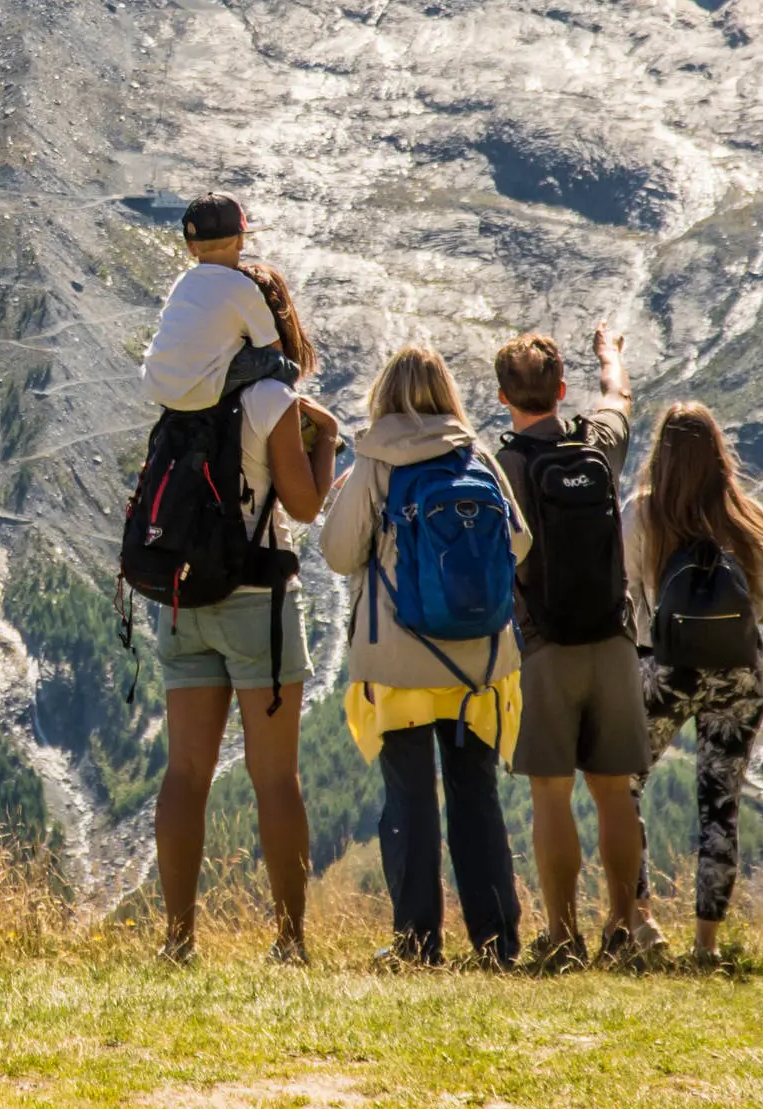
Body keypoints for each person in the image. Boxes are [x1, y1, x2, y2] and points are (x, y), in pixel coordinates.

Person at [139, 195, 339, 966]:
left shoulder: (183, 396)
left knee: (185, 771)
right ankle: (288, 941)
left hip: (185, 595)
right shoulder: (270, 396)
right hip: (256, 597)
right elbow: (304, 504)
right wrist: (328, 440)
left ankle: (178, 939)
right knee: (275, 777)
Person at [318, 345, 526, 968]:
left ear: (384, 394)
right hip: (478, 668)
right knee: (475, 797)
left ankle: (417, 945)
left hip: (400, 662)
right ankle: (497, 944)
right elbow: (519, 541)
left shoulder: (374, 462)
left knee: (408, 799)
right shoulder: (477, 455)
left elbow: (337, 552)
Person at [491, 326, 658, 971]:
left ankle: (562, 936)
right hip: (613, 643)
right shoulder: (598, 445)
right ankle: (623, 922)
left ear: (505, 396)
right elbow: (619, 394)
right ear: (562, 391)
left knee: (551, 796)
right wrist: (609, 352)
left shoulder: (503, 468)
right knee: (614, 792)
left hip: (546, 649)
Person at [627, 401, 763, 965]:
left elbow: (628, 598)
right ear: (720, 454)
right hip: (739, 675)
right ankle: (706, 944)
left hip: (664, 669)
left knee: (621, 788)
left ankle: (641, 919)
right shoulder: (746, 516)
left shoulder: (642, 515)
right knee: (719, 805)